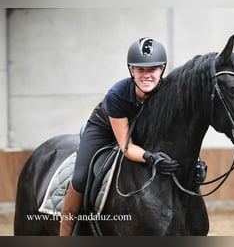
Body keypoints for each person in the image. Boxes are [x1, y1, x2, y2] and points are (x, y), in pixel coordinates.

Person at [60, 37, 179, 236]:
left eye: (152, 69)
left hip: (139, 130)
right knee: (80, 178)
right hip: (104, 130)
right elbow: (125, 146)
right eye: (140, 69)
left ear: (162, 69)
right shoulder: (117, 94)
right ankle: (66, 231)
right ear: (131, 70)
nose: (146, 75)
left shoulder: (168, 94)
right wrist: (151, 157)